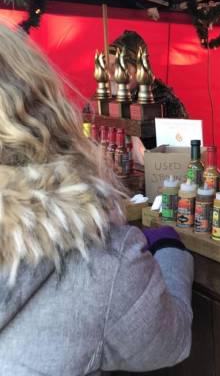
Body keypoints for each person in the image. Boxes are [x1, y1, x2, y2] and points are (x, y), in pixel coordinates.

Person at [0, 23, 194, 374]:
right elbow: (171, 338)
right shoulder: (103, 263)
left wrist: (152, 154)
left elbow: (181, 151)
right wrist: (171, 253)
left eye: (123, 65)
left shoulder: (161, 99)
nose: (118, 72)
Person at [106, 30, 188, 120]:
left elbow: (181, 133)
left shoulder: (163, 99)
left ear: (139, 68)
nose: (110, 75)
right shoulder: (107, 96)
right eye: (108, 66)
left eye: (118, 66)